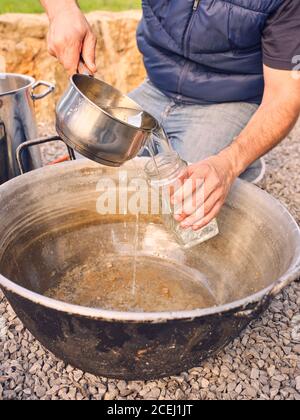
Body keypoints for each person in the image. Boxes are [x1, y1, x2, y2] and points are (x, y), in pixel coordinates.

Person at [41, 0, 300, 231]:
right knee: (84, 182)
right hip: (157, 85)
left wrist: (229, 163)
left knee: (183, 207)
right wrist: (61, 9)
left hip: (229, 99)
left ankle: (243, 159)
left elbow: (285, 97)